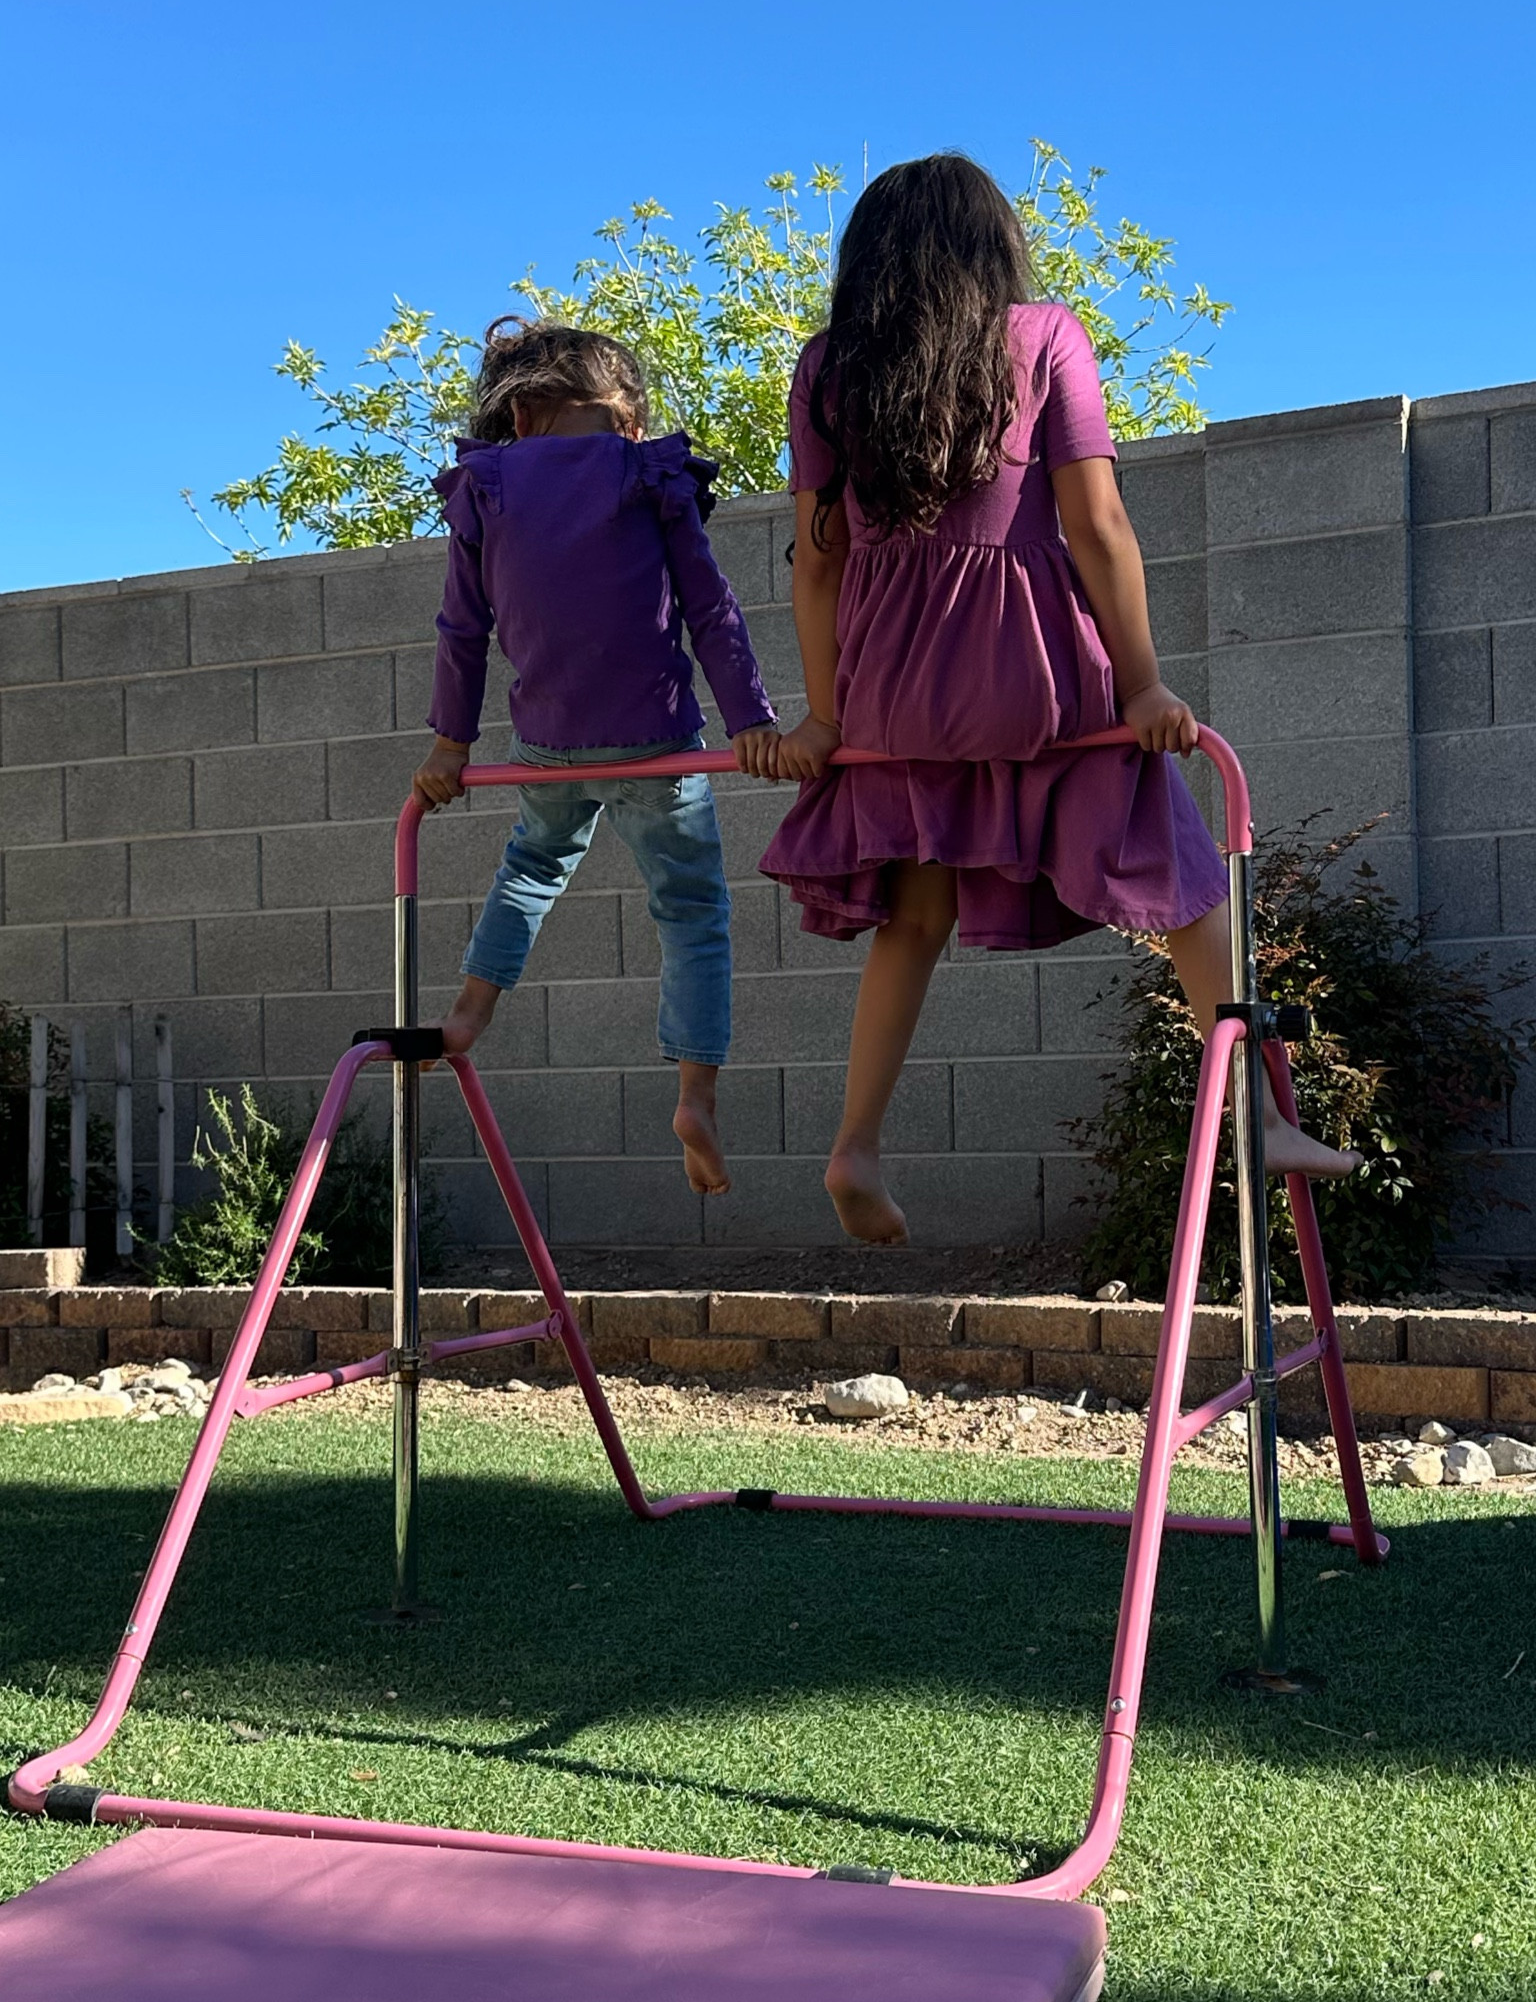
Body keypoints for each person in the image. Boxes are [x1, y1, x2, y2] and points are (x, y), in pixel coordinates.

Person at [762, 152, 1359, 1245]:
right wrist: (1141, 684)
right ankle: (1259, 1116)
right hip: (1032, 675)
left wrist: (827, 719)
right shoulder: (1043, 337)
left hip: (893, 685)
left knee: (917, 913)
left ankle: (856, 1139)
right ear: (993, 250)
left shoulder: (828, 369)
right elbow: (1098, 525)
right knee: (1180, 873)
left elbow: (817, 560)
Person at [414, 318, 778, 1197]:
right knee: (691, 911)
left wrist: (449, 745)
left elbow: (464, 629)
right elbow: (710, 608)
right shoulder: (649, 472)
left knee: (530, 867)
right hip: (657, 740)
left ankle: (469, 1013)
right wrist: (750, 724)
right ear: (613, 417)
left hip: (547, 746)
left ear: (525, 414)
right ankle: (696, 1093)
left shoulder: (485, 486)